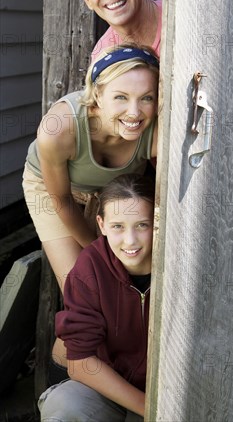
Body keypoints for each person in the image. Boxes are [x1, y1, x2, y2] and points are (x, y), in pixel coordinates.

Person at [22, 44, 159, 376]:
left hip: (111, 194)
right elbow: (61, 201)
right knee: (81, 285)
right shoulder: (60, 127)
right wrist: (97, 254)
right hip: (54, 191)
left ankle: (129, 373)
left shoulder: (155, 130)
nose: (135, 112)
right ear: (97, 96)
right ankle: (66, 377)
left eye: (147, 98)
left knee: (124, 279)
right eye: (121, 97)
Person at [37, 173, 155, 421]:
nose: (130, 240)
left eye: (142, 225)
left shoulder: (178, 265)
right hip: (109, 388)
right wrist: (150, 410)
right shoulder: (90, 266)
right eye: (117, 226)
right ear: (101, 225)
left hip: (167, 389)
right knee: (63, 405)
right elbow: (80, 362)